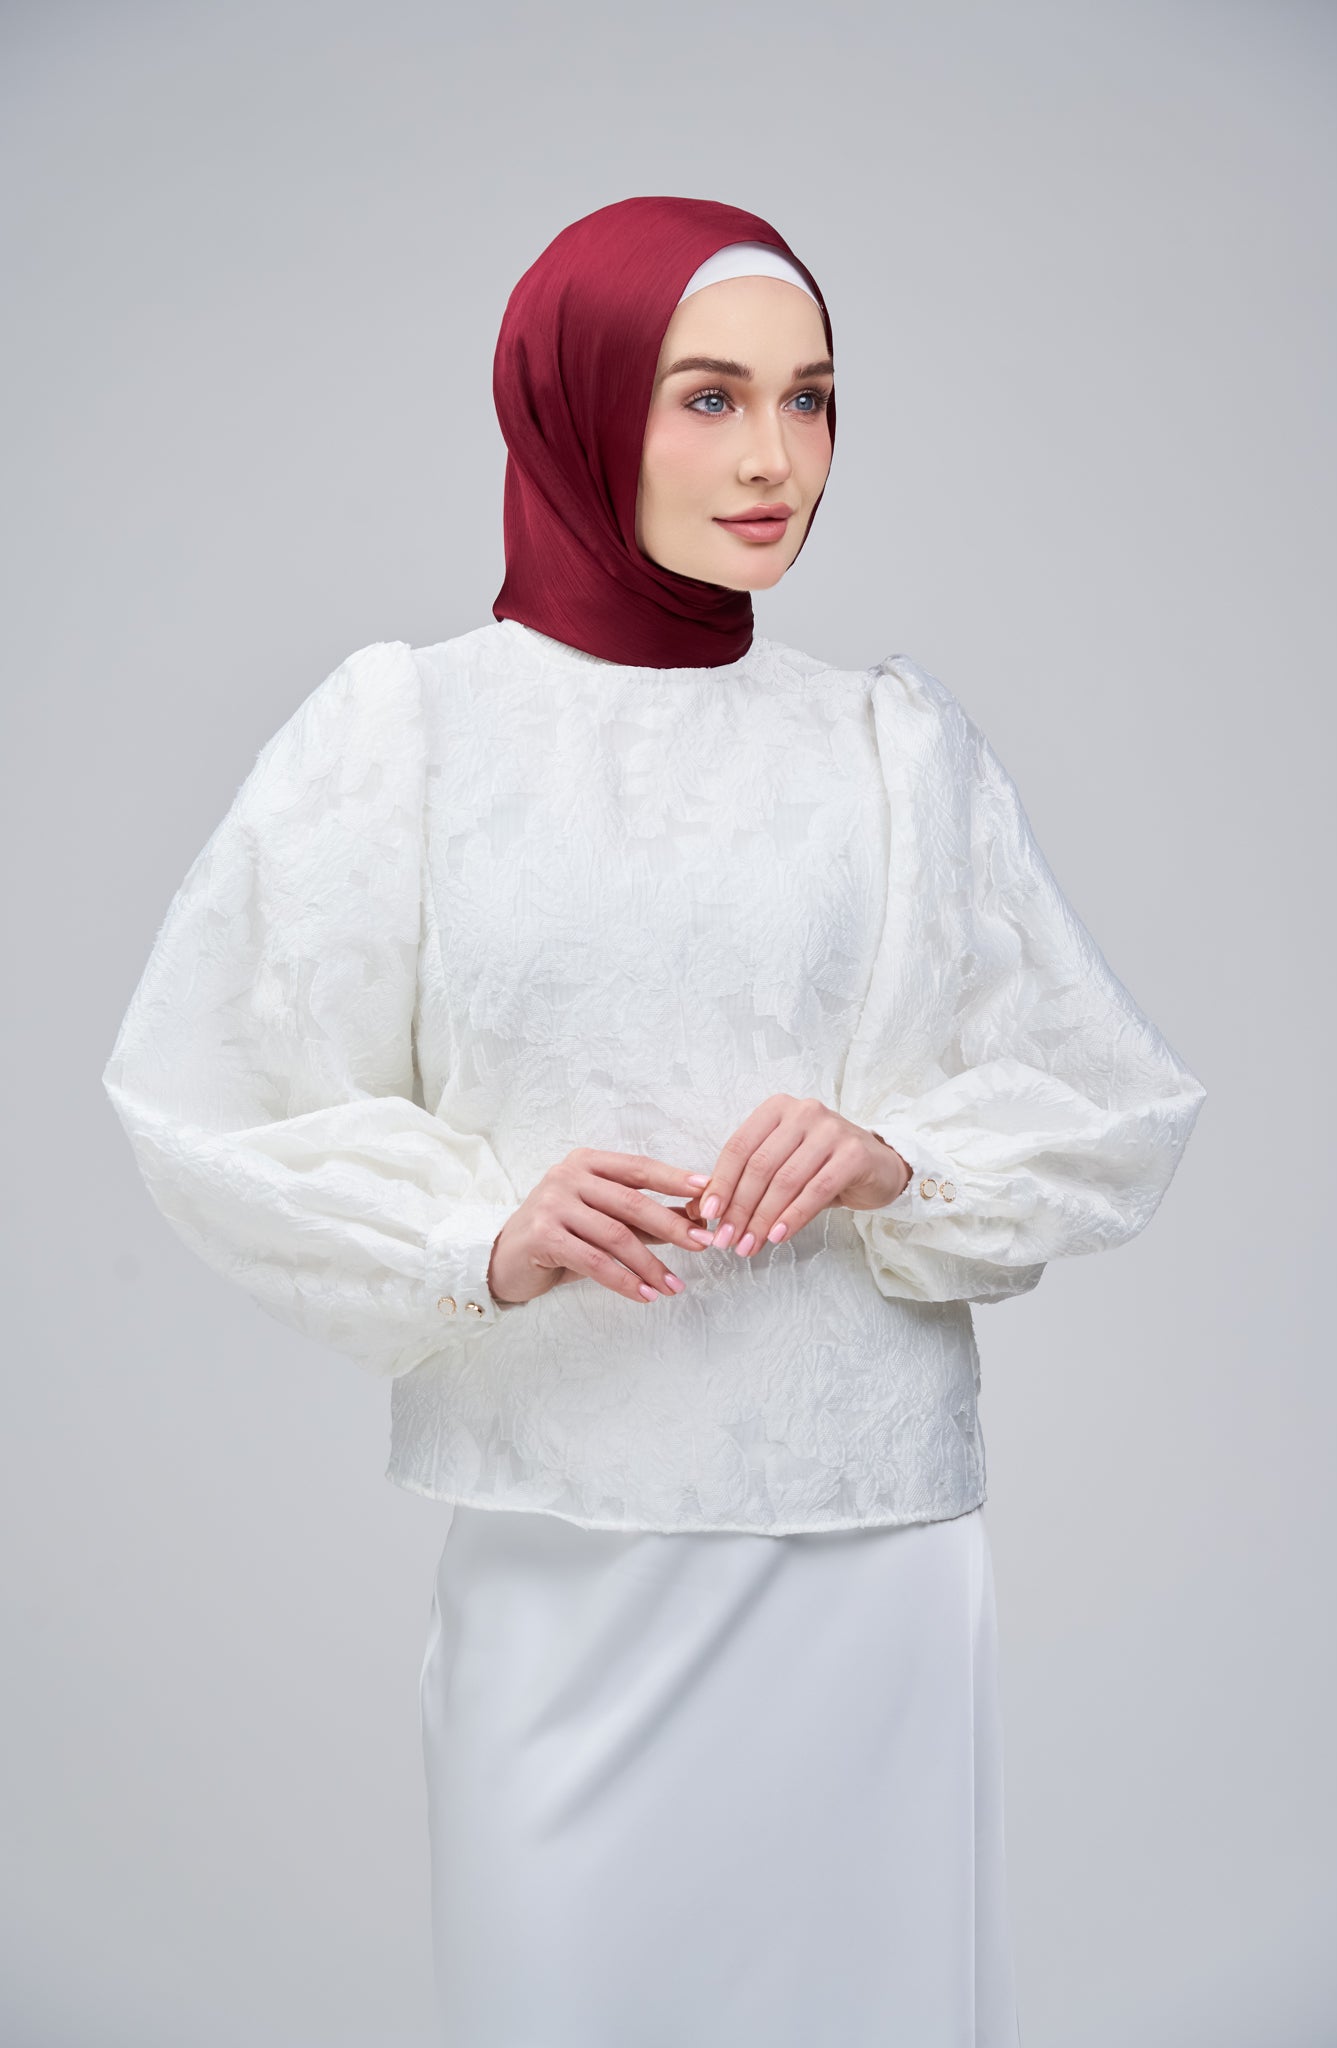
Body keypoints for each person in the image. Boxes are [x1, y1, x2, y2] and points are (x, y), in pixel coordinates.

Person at [101, 194, 1207, 2046]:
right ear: (578, 404)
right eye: (708, 397)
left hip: (868, 1549)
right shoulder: (410, 736)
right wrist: (476, 1234)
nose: (775, 459)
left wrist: (894, 1158)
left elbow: (1106, 1098)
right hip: (572, 1540)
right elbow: (206, 1088)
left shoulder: (890, 748)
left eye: (809, 397)